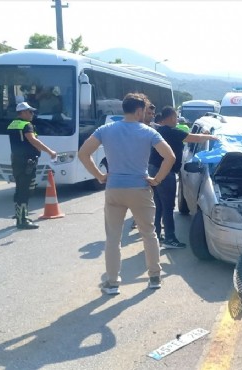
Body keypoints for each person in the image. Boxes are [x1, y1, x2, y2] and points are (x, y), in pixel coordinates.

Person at [79, 93, 175, 295]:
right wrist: (156, 180)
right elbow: (170, 157)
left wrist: (99, 175)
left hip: (114, 188)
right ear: (139, 111)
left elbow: (83, 153)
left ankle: (113, 283)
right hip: (140, 188)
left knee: (113, 238)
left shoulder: (105, 130)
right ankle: (154, 277)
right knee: (149, 234)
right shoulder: (148, 132)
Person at [149, 106, 217, 248]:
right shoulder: (171, 131)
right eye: (175, 117)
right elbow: (194, 138)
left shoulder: (160, 130)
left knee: (159, 204)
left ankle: (155, 235)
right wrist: (211, 136)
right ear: (172, 117)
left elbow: (190, 139)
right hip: (165, 172)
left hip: (154, 169)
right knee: (168, 206)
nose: (176, 120)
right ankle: (170, 238)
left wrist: (204, 135)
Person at [7, 102, 57, 230]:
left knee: (20, 188)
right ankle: (22, 220)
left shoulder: (13, 124)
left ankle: (20, 215)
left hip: (17, 160)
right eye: (30, 112)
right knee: (26, 190)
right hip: (27, 161)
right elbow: (33, 140)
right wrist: (49, 151)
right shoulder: (27, 125)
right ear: (23, 112)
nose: (32, 114)